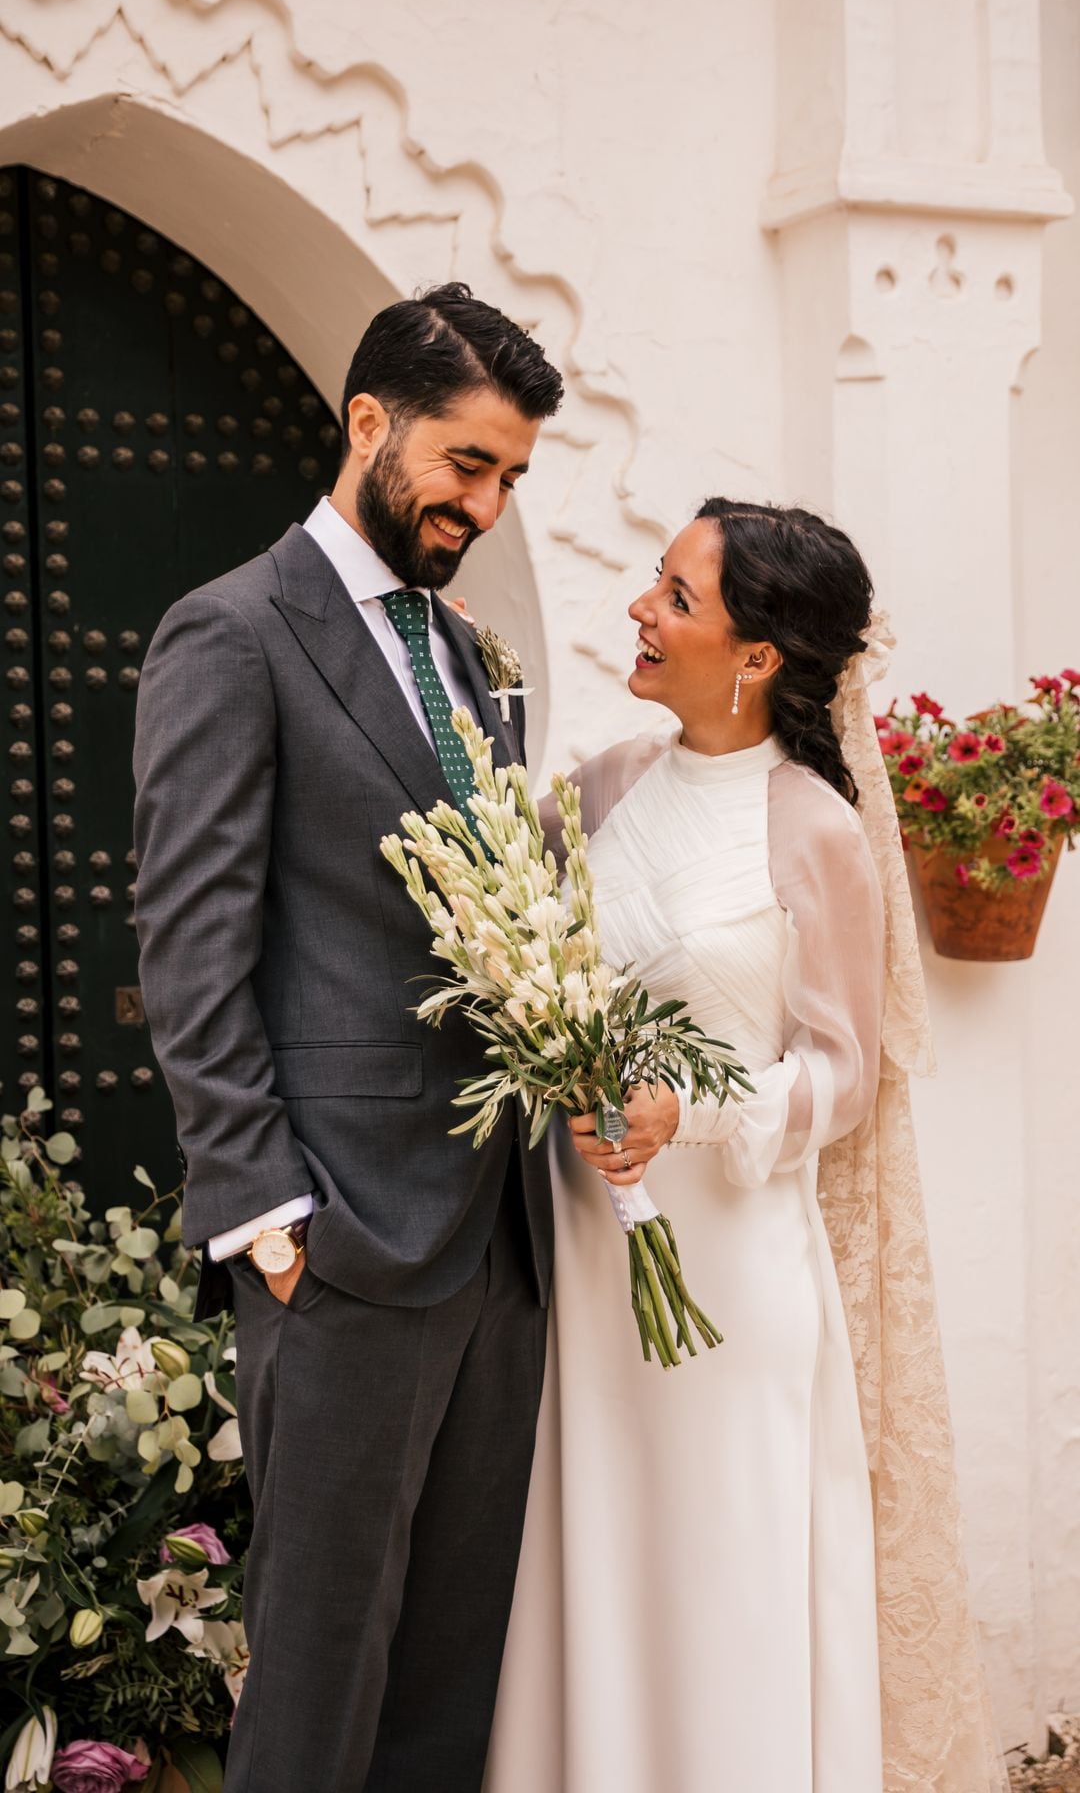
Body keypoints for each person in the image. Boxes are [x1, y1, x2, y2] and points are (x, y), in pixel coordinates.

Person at [485, 499, 1008, 1793]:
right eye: (654, 582)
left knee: (724, 1581)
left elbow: (845, 1073)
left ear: (759, 654)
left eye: (676, 596)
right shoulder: (602, 788)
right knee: (600, 1568)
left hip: (729, 1276)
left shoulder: (815, 827)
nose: (640, 609)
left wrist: (695, 1110)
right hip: (591, 1262)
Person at [132, 283, 563, 1793]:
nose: (486, 506)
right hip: (338, 1239)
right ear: (370, 421)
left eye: (511, 477)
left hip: (500, 1238)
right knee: (319, 1682)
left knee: (449, 1684)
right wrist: (264, 1212)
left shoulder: (468, 655)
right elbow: (190, 946)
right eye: (466, 463)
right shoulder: (231, 633)